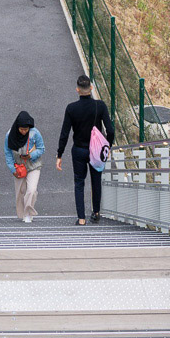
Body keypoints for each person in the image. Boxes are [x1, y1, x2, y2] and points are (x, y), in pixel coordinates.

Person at [56, 74, 115, 225]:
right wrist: (107, 147)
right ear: (91, 88)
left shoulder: (71, 108)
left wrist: (59, 154)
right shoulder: (100, 106)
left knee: (79, 182)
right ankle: (95, 213)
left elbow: (65, 133)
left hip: (79, 150)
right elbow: (111, 130)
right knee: (96, 181)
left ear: (77, 90)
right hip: (96, 152)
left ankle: (81, 218)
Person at [4, 111, 45, 222]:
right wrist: (13, 169)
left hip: (34, 165)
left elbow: (42, 148)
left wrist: (31, 155)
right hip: (18, 166)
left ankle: (28, 213)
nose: (23, 132)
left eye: (26, 129)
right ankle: (22, 214)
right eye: (21, 129)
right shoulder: (9, 135)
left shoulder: (35, 133)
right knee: (20, 192)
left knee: (31, 190)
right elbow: (8, 153)